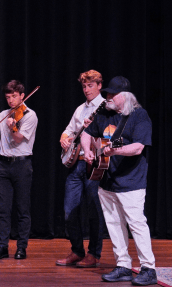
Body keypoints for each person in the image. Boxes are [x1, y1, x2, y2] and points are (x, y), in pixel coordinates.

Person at [80, 76, 156, 285]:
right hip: (107, 180)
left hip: (131, 182)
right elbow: (87, 133)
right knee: (113, 224)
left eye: (113, 94)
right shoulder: (104, 113)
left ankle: (148, 268)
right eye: (108, 94)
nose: (108, 97)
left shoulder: (139, 116)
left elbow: (138, 147)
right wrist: (87, 151)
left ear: (126, 96)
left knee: (136, 223)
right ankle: (123, 265)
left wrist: (115, 151)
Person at [0, 80, 38, 260]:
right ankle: (3, 246)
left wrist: (13, 126)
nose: (11, 101)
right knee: (3, 208)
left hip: (22, 165)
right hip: (3, 166)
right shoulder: (5, 114)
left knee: (22, 209)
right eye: (8, 97)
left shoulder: (30, 115)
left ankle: (21, 247)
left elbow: (19, 139)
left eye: (14, 96)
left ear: (22, 95)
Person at [56, 70, 108, 267]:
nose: (87, 90)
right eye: (84, 86)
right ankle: (77, 250)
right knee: (69, 210)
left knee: (94, 211)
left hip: (93, 164)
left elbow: (110, 134)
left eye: (91, 85)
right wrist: (64, 138)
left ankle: (94, 254)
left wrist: (94, 128)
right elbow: (68, 131)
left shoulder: (105, 108)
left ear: (99, 85)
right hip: (75, 164)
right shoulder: (80, 109)